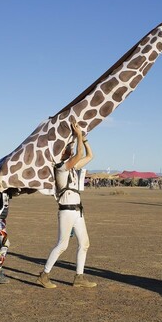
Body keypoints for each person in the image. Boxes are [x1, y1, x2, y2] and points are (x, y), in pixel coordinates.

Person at [36, 121, 96, 289]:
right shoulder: (61, 167)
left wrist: (84, 140)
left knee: (84, 243)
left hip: (77, 211)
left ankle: (79, 277)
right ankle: (44, 275)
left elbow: (90, 156)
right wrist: (77, 136)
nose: (67, 149)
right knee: (62, 244)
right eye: (64, 148)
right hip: (67, 211)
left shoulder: (72, 167)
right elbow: (78, 155)